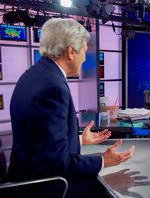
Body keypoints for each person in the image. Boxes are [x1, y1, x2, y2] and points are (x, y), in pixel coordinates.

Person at [7, 18, 135, 198]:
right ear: (70, 52)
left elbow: (42, 142)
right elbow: (55, 163)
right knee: (111, 190)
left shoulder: (33, 75)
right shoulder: (52, 88)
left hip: (27, 177)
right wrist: (102, 160)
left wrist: (79, 139)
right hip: (45, 188)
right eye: (84, 51)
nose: (84, 58)